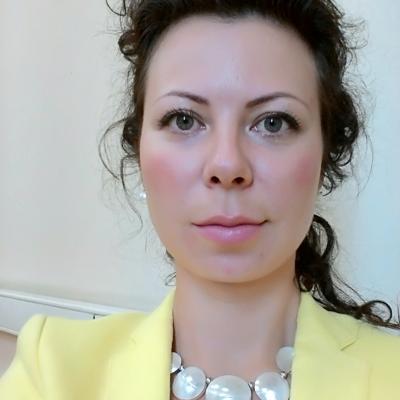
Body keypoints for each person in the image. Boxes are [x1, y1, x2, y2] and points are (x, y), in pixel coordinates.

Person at [1, 0, 400, 399]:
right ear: (139, 150)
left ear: (324, 156)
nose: (227, 165)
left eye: (273, 122)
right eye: (184, 120)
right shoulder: (54, 366)